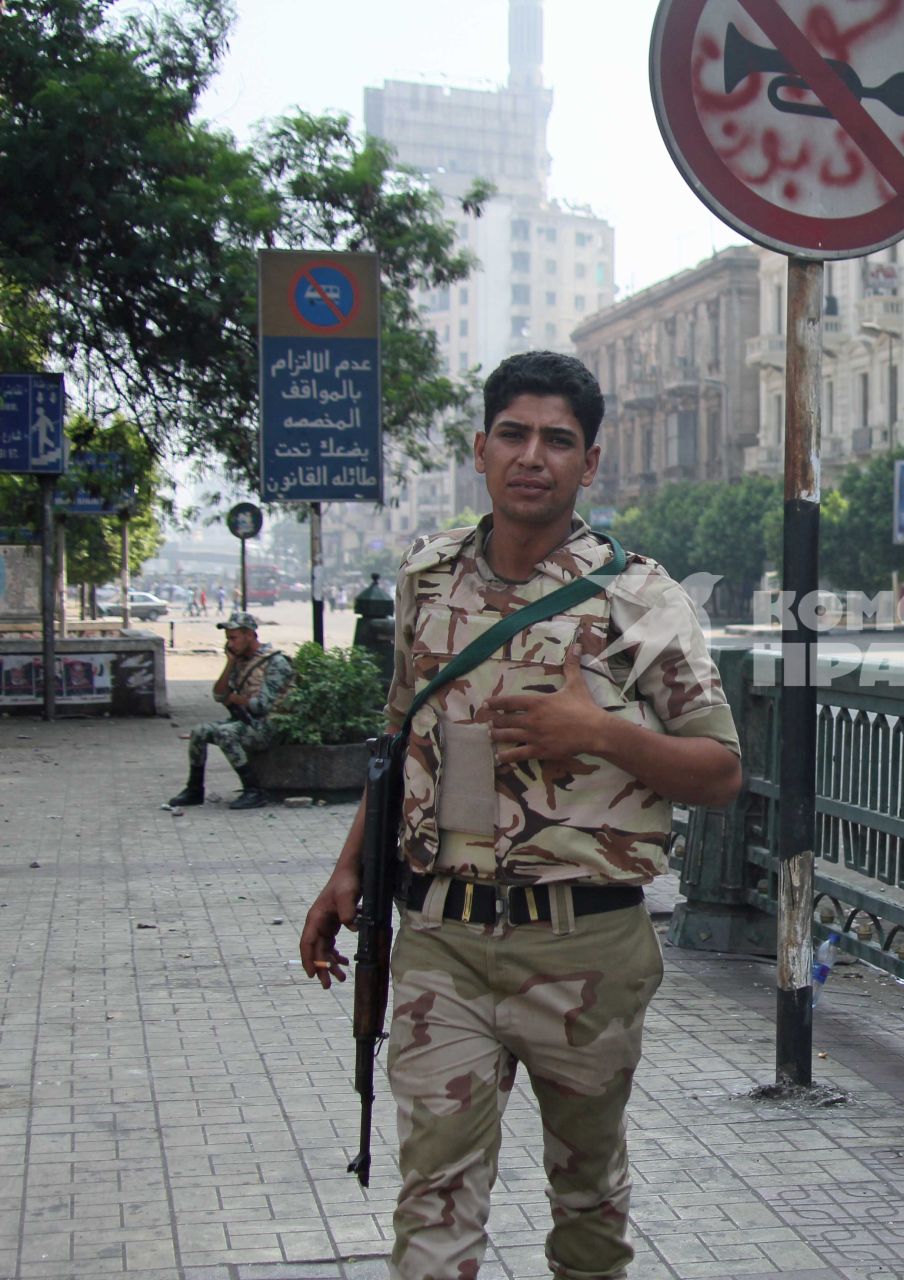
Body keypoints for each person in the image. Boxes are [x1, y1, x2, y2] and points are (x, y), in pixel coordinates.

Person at [298, 350, 742, 1280]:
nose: (532, 455)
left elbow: (720, 771)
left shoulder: (642, 599)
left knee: (586, 1199)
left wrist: (599, 731)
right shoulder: (428, 578)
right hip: (442, 941)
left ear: (591, 462)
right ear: (481, 450)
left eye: (557, 440)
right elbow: (397, 739)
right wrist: (351, 870)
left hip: (586, 952)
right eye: (514, 434)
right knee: (435, 1196)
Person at [169, 611, 294, 811]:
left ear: (250, 635)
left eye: (234, 638)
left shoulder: (275, 662)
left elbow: (262, 705)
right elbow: (219, 695)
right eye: (228, 639)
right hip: (247, 722)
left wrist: (235, 698)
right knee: (200, 731)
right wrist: (230, 663)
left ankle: (253, 790)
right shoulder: (240, 661)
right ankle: (194, 789)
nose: (230, 643)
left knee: (225, 733)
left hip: (269, 726)